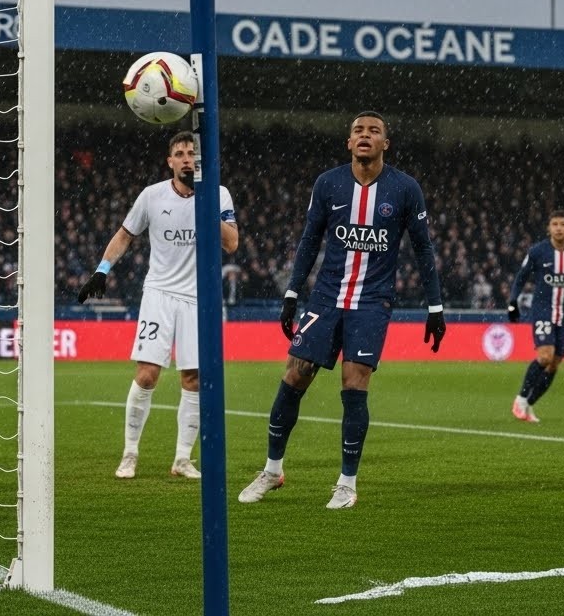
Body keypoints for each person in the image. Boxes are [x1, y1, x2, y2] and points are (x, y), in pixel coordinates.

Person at [239, 111, 444, 510]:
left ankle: (347, 481)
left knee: (355, 382)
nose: (364, 136)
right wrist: (292, 293)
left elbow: (423, 248)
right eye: (357, 131)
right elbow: (309, 239)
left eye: (374, 131)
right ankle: (272, 470)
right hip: (327, 297)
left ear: (386, 143)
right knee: (295, 375)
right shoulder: (328, 183)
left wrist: (435, 307)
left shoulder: (405, 189)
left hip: (371, 302)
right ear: (349, 143)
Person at [76, 130, 238, 480]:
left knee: (193, 379)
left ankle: (182, 459)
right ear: (169, 161)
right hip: (160, 294)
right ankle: (130, 453)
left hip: (199, 299)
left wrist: (204, 204)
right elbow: (125, 234)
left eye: (191, 153)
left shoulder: (218, 194)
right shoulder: (152, 196)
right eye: (179, 153)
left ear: (199, 159)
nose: (186, 158)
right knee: (147, 375)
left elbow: (232, 243)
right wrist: (102, 270)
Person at [507, 209, 564, 423]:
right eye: (554, 224)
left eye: (562, 224)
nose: (558, 228)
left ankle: (529, 405)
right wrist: (512, 303)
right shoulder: (538, 251)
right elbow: (521, 278)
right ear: (549, 228)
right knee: (545, 356)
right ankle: (520, 399)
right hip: (543, 309)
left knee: (554, 363)